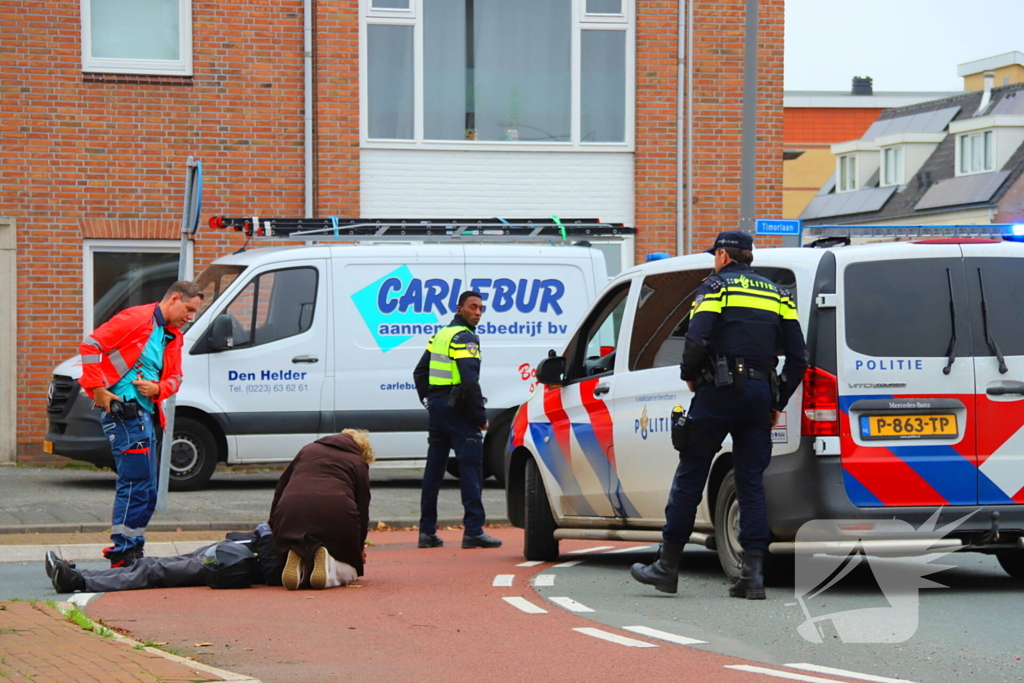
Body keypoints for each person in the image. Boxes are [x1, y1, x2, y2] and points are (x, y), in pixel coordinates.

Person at [630, 230, 807, 599]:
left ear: (724, 256)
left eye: (716, 255)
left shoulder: (714, 286)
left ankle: (668, 567)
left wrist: (690, 376)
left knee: (691, 476)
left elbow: (696, 338)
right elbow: (798, 357)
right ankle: (753, 576)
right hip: (760, 395)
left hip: (718, 392)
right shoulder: (778, 294)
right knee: (751, 484)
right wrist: (777, 401)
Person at [79, 281, 204, 568]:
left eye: (194, 312)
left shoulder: (173, 336)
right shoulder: (136, 318)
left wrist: (158, 389)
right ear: (173, 298)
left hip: (145, 415)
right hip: (124, 414)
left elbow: (176, 379)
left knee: (147, 488)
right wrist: (97, 390)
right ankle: (123, 552)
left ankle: (132, 548)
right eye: (188, 309)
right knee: (136, 483)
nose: (190, 317)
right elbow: (90, 345)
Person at [412, 291, 502, 550]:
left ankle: (426, 532)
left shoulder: (441, 334)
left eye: (481, 308)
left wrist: (431, 401)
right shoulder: (464, 338)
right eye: (473, 307)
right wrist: (480, 417)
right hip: (459, 410)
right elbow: (470, 381)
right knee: (471, 469)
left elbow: (419, 372)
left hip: (439, 408)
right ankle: (473, 531)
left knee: (434, 471)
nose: (477, 312)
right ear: (459, 308)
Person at [269, 429, 374, 590]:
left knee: (299, 543)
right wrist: (358, 549)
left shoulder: (308, 449)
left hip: (290, 507)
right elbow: (363, 507)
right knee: (351, 569)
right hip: (338, 511)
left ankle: (299, 558)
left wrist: (273, 526)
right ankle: (330, 568)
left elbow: (280, 488)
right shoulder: (357, 462)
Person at [45, 523, 282, 593]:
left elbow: (274, 572)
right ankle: (79, 574)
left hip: (232, 564)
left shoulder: (310, 555)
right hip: (226, 551)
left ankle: (78, 582)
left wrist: (265, 533)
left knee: (154, 573)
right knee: (149, 564)